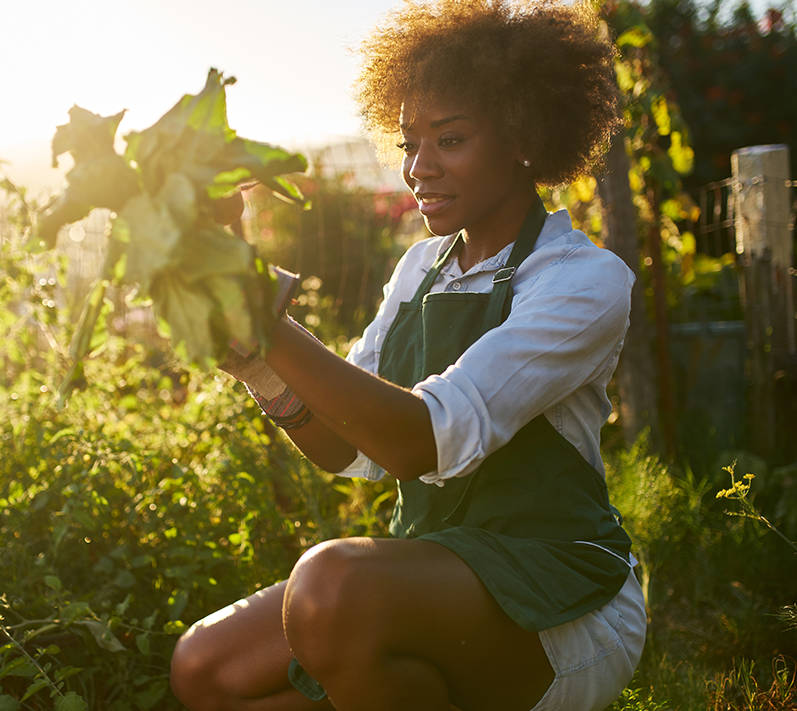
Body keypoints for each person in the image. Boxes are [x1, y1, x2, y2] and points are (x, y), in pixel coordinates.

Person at [169, 1, 647, 709]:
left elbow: (417, 441)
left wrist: (264, 317)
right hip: (429, 575)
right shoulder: (421, 268)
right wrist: (253, 360)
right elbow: (345, 447)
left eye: (448, 140)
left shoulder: (581, 280)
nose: (418, 169)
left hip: (557, 594)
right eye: (407, 144)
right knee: (203, 666)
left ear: (522, 136)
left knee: (331, 584)